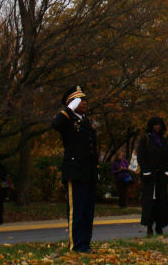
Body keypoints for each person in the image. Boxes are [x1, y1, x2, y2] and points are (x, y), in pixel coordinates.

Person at [52, 85, 98, 254]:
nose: (84, 102)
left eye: (85, 99)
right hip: (75, 170)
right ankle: (76, 246)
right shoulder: (68, 120)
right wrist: (69, 109)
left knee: (87, 212)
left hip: (88, 172)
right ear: (72, 103)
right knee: (76, 211)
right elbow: (55, 124)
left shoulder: (86, 121)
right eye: (80, 100)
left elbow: (92, 147)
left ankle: (85, 244)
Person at [137, 117, 168, 237]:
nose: (157, 127)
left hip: (161, 176)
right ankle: (149, 226)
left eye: (159, 125)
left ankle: (159, 225)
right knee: (149, 202)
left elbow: (167, 157)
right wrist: (146, 171)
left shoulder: (163, 140)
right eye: (155, 125)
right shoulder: (145, 139)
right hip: (149, 177)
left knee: (161, 201)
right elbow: (141, 157)